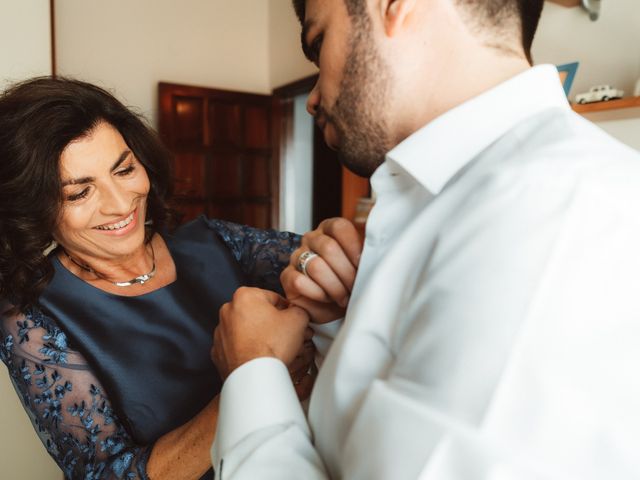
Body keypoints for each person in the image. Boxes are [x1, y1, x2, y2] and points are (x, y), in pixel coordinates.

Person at [210, 0, 640, 478]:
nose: (311, 99)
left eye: (319, 41)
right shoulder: (445, 204)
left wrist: (252, 371)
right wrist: (341, 322)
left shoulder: (548, 215)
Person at [0, 77, 315, 480]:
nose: (119, 204)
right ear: (33, 208)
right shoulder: (31, 320)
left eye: (125, 169)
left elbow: (321, 264)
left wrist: (330, 258)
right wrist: (253, 378)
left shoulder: (216, 241)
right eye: (79, 193)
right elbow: (108, 475)